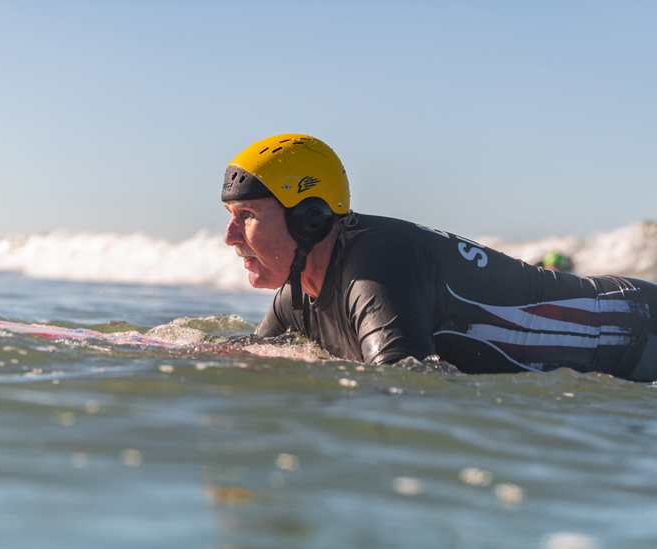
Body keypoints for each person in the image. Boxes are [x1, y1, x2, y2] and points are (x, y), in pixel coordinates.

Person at [222, 134, 657, 382]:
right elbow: (249, 354)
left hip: (637, 333)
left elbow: (406, 388)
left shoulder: (379, 264)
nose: (230, 236)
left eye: (247, 216)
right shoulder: (297, 299)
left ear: (310, 219)